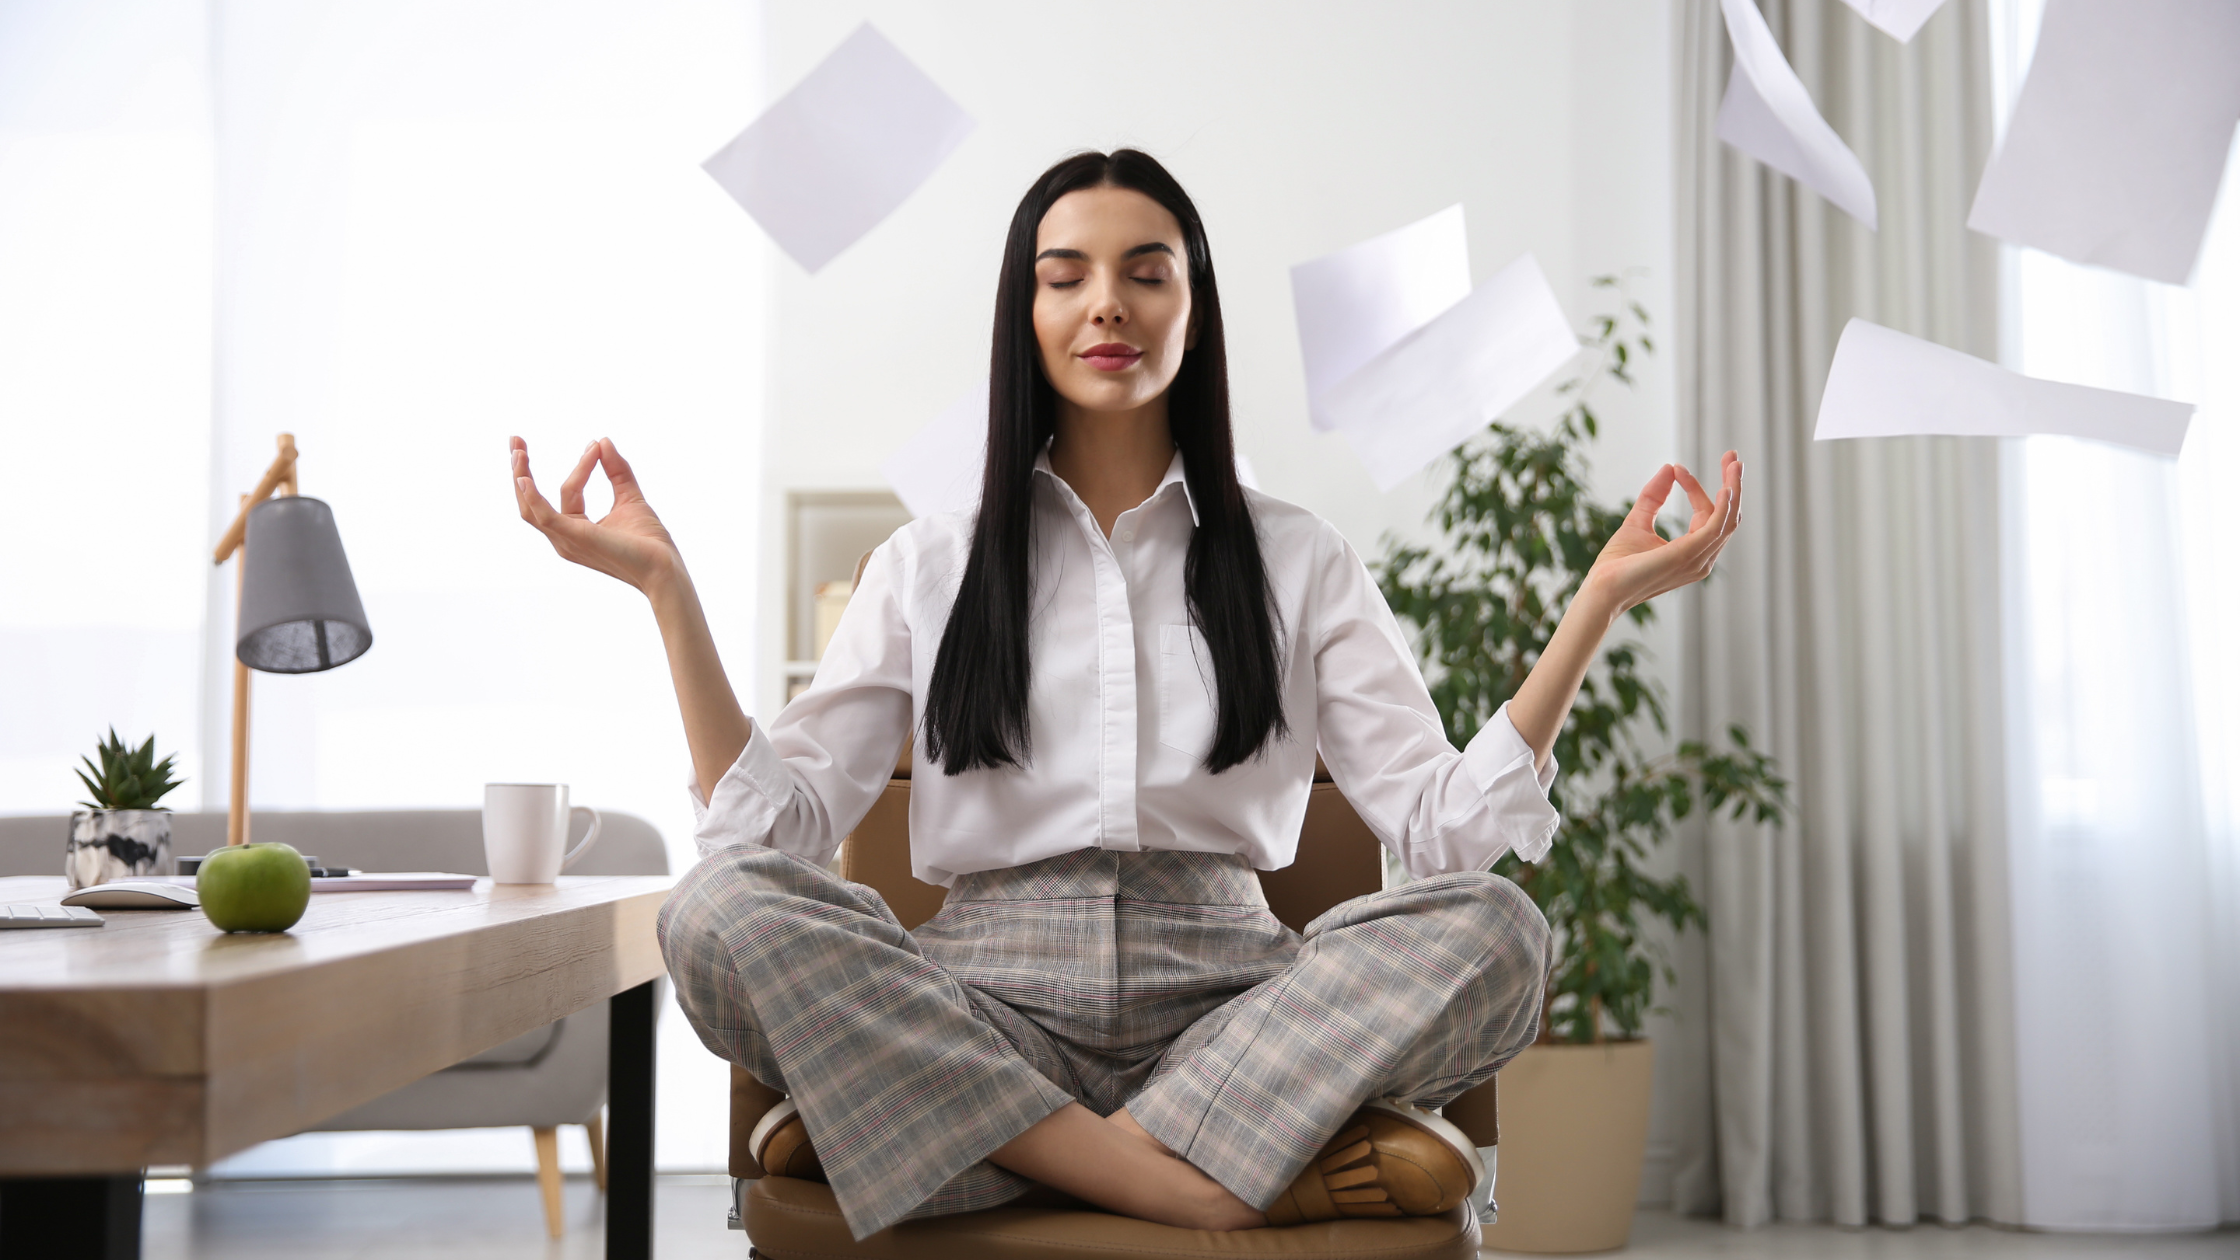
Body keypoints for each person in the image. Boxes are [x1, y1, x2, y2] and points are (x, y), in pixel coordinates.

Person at [509, 149, 1742, 1242]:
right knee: (719, 909)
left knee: (1498, 936)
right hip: (977, 1003)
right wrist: (667, 593)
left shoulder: (1298, 556)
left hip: (1233, 1011)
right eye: (1066, 276)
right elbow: (766, 837)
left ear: (1193, 312)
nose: (1108, 302)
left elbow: (1445, 837)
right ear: (1025, 312)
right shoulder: (927, 563)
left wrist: (1593, 610)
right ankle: (1191, 1180)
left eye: (1147, 272)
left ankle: (973, 1153)